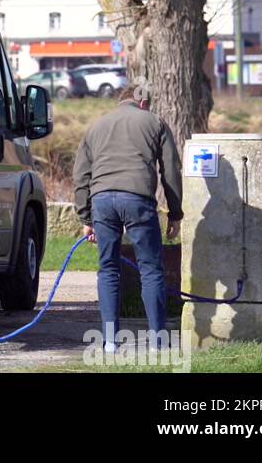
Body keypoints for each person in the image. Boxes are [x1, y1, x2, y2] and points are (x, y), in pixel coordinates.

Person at [72, 84, 183, 350]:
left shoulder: (96, 126)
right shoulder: (154, 122)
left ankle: (110, 340)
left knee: (108, 268)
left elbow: (80, 176)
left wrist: (86, 218)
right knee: (151, 269)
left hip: (102, 202)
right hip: (138, 199)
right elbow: (171, 171)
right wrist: (175, 213)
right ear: (143, 102)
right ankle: (158, 338)